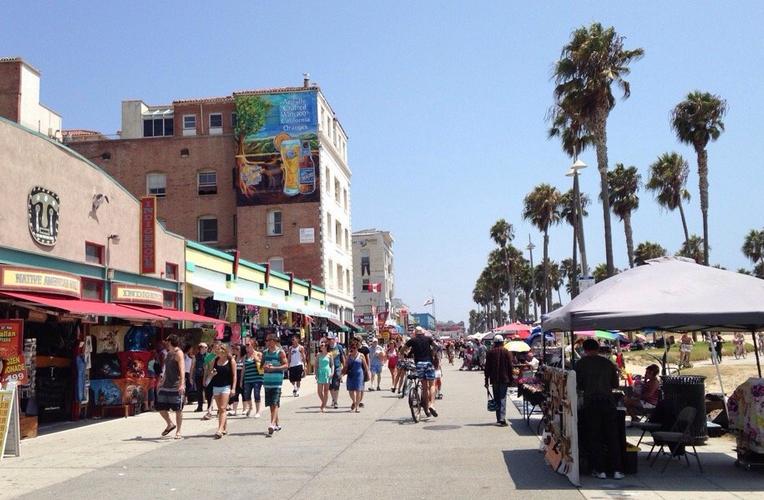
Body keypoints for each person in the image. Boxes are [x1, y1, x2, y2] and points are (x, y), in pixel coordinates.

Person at [575, 339, 624, 480]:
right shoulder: (608, 363)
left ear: (584, 349)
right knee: (612, 436)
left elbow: (578, 384)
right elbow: (615, 383)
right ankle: (617, 470)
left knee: (594, 436)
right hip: (608, 402)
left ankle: (599, 469)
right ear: (598, 348)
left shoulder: (581, 364)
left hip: (591, 403)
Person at [403, 326, 438, 417]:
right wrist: (433, 354)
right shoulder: (428, 339)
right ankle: (431, 405)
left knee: (424, 387)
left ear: (415, 333)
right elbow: (437, 347)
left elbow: (402, 349)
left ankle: (426, 408)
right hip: (428, 363)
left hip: (419, 364)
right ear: (423, 333)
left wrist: (405, 354)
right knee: (432, 384)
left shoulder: (412, 340)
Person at [156, 334, 185, 439]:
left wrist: (182, 384)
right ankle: (170, 424)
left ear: (170, 341)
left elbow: (182, 370)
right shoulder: (168, 354)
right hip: (166, 384)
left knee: (178, 409)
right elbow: (165, 370)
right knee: (160, 407)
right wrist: (161, 381)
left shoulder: (179, 353)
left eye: (167, 340)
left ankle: (179, 431)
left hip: (176, 385)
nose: (165, 342)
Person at [208, 343, 236, 439]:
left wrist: (233, 388)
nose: (216, 352)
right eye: (216, 350)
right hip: (216, 386)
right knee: (220, 409)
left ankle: (219, 429)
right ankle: (224, 428)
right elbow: (210, 373)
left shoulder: (231, 360)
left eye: (218, 350)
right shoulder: (214, 361)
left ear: (224, 351)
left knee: (223, 408)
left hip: (226, 386)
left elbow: (234, 375)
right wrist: (212, 373)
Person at [484, 335, 512, 426]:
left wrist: (486, 381)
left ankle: (498, 418)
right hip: (504, 379)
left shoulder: (490, 352)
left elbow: (487, 368)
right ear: (502, 342)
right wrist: (511, 379)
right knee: (502, 398)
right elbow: (510, 367)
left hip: (494, 379)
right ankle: (502, 418)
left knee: (496, 398)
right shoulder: (506, 352)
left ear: (494, 343)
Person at [262, 333, 288, 436]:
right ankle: (277, 423)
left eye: (268, 340)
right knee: (271, 404)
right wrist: (264, 366)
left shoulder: (280, 352)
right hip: (267, 382)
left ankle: (272, 424)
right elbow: (261, 366)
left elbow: (286, 365)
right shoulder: (265, 353)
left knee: (275, 402)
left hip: (277, 382)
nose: (266, 342)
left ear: (273, 341)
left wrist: (274, 368)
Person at [343, 340, 370, 412]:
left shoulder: (361, 355)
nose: (353, 349)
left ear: (357, 348)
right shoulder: (349, 356)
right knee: (351, 390)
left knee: (358, 390)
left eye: (354, 347)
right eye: (351, 347)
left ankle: (357, 407)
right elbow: (345, 366)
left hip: (359, 375)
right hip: (351, 375)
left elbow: (365, 366)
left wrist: (368, 374)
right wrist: (342, 373)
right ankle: (354, 402)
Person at [239, 342, 263, 418]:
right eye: (246, 346)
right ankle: (250, 407)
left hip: (257, 378)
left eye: (248, 346)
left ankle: (258, 411)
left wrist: (257, 360)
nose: (247, 348)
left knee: (256, 394)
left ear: (253, 346)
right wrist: (241, 380)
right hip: (247, 379)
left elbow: (263, 365)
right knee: (246, 395)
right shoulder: (245, 356)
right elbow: (243, 369)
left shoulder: (258, 354)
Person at [327, 334, 346, 409]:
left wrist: (344, 369)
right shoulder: (327, 347)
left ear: (334, 339)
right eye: (328, 339)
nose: (329, 341)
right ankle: (333, 398)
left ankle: (335, 401)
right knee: (330, 386)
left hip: (337, 367)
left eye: (331, 339)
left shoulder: (339, 347)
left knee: (336, 384)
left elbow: (343, 357)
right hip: (329, 368)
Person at [316, 341, 334, 412]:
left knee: (326, 391)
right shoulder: (318, 355)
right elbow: (316, 365)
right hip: (320, 372)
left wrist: (332, 372)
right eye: (321, 345)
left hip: (327, 373)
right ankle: (324, 403)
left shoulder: (330, 355)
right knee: (319, 391)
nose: (321, 346)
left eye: (323, 345)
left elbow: (332, 365)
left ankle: (323, 406)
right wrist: (316, 373)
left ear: (326, 347)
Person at [191, 343, 208, 412]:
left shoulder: (208, 356)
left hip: (207, 376)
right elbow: (192, 367)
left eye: (207, 347)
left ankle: (209, 406)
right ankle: (200, 406)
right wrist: (190, 377)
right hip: (198, 375)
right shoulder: (196, 356)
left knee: (208, 391)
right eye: (205, 347)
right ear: (200, 348)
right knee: (199, 391)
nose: (206, 348)